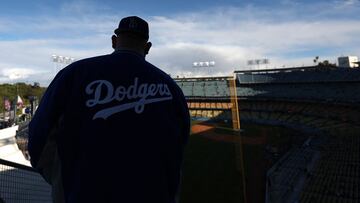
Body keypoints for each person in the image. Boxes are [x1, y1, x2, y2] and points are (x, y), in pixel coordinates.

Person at [28, 16, 190, 203]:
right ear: (147, 47)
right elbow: (179, 147)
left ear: (114, 41)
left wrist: (60, 180)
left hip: (82, 193)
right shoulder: (169, 87)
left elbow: (39, 136)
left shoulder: (74, 73)